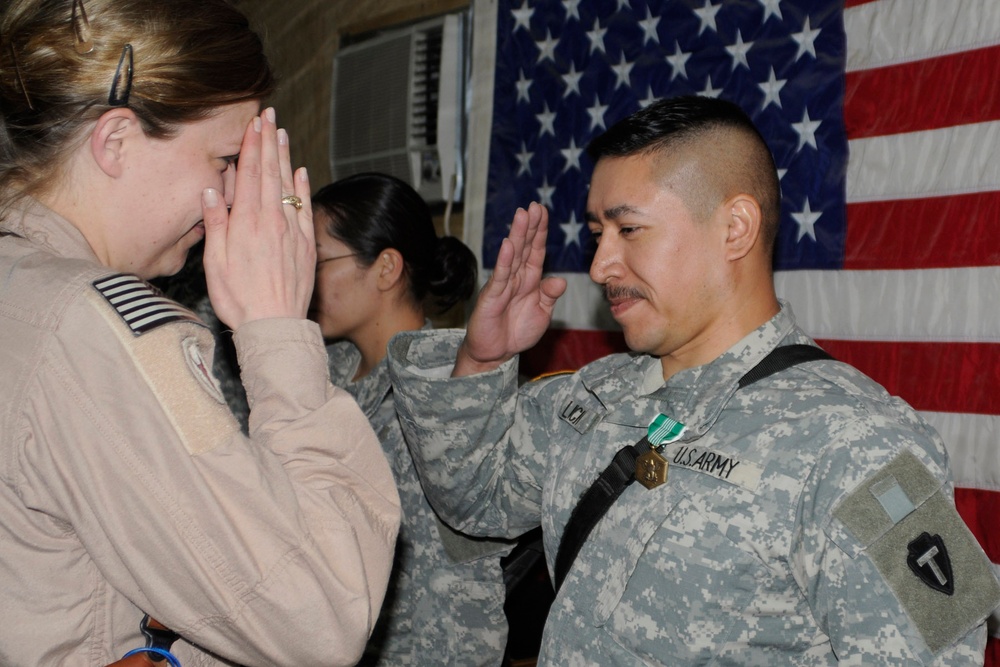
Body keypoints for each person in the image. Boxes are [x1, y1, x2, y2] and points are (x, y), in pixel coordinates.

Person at [383, 95, 1000, 664]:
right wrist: (482, 362)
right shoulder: (596, 396)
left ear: (735, 228)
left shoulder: (858, 442)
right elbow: (472, 501)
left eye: (629, 230)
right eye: (598, 235)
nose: (600, 265)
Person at [0, 1, 400, 665]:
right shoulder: (88, 324)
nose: (239, 191)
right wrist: (277, 330)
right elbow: (321, 615)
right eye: (222, 159)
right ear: (117, 142)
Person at [310, 172, 512, 666]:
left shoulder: (446, 391)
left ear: (385, 268)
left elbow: (454, 580)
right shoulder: (316, 372)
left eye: (316, 261)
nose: (302, 278)